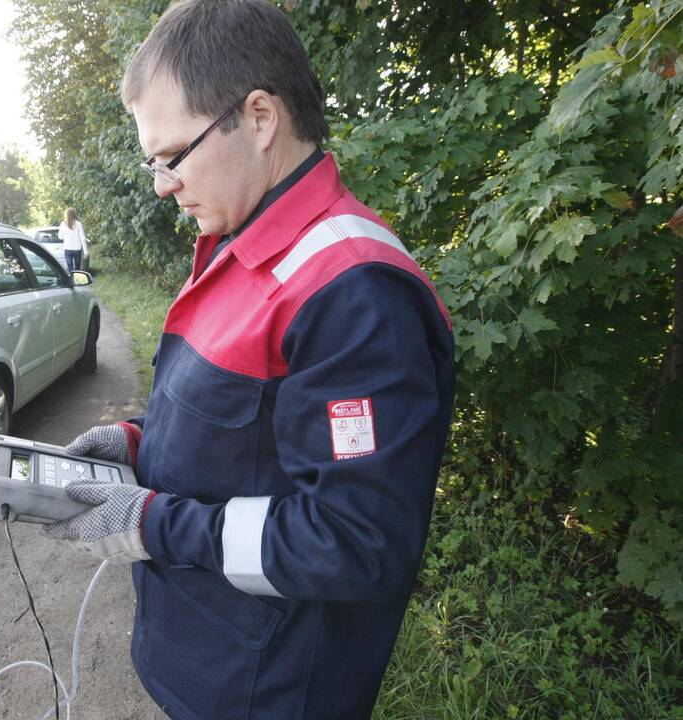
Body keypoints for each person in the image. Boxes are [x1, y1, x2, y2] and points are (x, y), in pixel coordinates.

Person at [42, 1, 456, 718]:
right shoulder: (241, 244)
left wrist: (148, 523)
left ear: (258, 117)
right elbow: (245, 431)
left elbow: (355, 542)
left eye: (171, 157)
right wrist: (135, 444)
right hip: (207, 657)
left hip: (268, 687)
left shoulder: (352, 293)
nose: (160, 184)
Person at [58, 207, 88, 272]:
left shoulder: (63, 224)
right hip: (77, 249)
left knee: (70, 268)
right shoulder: (78, 224)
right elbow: (83, 238)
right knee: (77, 268)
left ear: (66, 215)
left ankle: (71, 281)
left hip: (67, 249)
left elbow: (60, 237)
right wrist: (86, 252)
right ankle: (77, 281)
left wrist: (66, 236)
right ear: (74, 214)